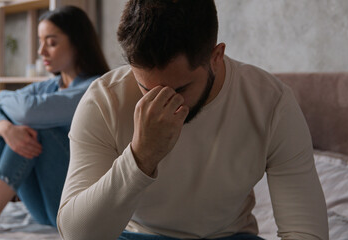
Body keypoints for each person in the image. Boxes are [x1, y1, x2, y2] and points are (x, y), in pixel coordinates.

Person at [57, 0, 329, 240]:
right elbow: (76, 234)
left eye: (179, 90)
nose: (162, 105)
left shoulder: (271, 102)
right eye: (146, 89)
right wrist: (140, 158)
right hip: (136, 234)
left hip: (229, 236)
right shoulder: (104, 100)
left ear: (216, 57)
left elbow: (305, 230)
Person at [0, 6, 109, 239]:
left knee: (30, 128)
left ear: (78, 43)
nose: (41, 51)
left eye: (51, 43)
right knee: (4, 128)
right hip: (42, 208)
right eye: (40, 42)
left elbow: (26, 111)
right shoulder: (47, 87)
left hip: (72, 206)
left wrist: (0, 96)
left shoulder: (95, 88)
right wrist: (4, 128)